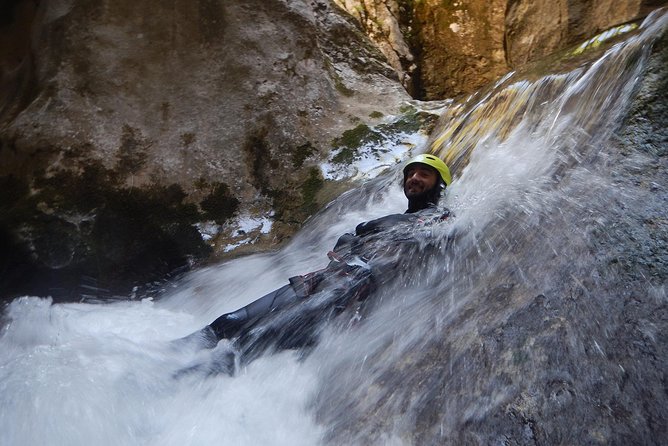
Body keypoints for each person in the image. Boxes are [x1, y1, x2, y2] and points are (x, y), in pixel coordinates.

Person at [178, 154, 452, 374]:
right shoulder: (397, 220)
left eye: (424, 174)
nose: (414, 178)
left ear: (440, 184)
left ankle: (174, 385)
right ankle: (157, 361)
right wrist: (355, 238)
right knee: (227, 322)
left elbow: (412, 235)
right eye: (411, 173)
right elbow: (348, 242)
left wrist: (362, 231)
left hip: (345, 297)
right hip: (321, 281)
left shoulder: (441, 218)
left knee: (251, 342)